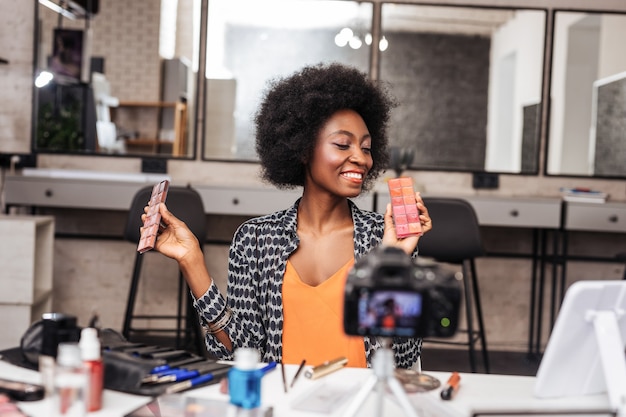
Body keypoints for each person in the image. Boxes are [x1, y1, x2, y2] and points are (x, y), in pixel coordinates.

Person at [146, 62, 432, 369]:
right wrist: (192, 262)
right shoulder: (255, 239)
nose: (360, 158)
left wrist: (394, 262)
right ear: (303, 149)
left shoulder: (387, 240)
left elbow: (402, 359)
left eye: (366, 148)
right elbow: (241, 352)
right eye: (342, 144)